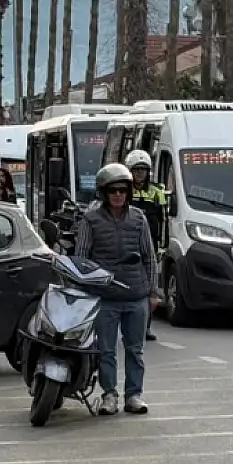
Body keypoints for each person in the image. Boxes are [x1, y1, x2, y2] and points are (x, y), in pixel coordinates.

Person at [73, 163, 158, 416]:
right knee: (106, 351)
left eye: (123, 190)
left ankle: (134, 395)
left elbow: (149, 257)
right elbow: (81, 259)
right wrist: (87, 287)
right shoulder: (91, 220)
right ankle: (109, 394)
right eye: (113, 191)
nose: (118, 195)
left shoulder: (139, 218)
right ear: (103, 193)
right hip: (106, 297)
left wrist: (154, 292)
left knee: (135, 350)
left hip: (136, 295)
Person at [124, 150, 168, 342]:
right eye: (137, 170)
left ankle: (146, 326)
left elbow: (164, 221)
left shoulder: (157, 192)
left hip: (149, 247)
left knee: (149, 289)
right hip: (127, 245)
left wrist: (163, 246)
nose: (140, 173)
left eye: (143, 170)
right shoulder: (123, 191)